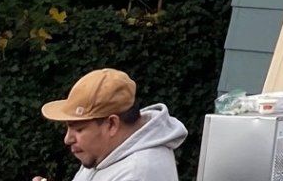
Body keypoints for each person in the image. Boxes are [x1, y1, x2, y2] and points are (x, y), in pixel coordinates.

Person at [34, 68, 187, 181]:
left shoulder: (138, 173)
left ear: (112, 124)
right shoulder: (106, 152)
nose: (67, 139)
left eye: (79, 129)